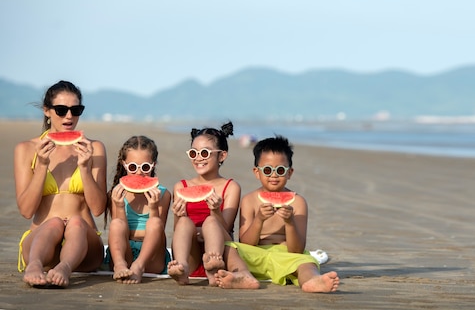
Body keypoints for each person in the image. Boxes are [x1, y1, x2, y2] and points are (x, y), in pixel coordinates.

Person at [14, 80, 107, 288]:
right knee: (54, 222)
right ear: (47, 111)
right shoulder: (26, 149)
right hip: (40, 243)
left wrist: (84, 168)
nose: (69, 116)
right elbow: (27, 210)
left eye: (76, 110)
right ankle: (34, 266)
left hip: (85, 248)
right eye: (61, 109)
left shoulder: (95, 148)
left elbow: (99, 208)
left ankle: (65, 267)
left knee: (75, 222)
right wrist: (42, 166)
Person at [232, 135, 340, 293]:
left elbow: (296, 250)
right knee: (229, 248)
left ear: (289, 173)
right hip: (255, 257)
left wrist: (290, 222)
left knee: (307, 262)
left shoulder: (298, 202)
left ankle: (312, 281)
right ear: (256, 172)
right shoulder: (249, 200)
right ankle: (241, 275)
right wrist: (259, 220)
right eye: (267, 170)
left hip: (287, 257)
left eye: (280, 170)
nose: (274, 175)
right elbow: (246, 244)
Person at [167, 122, 259, 289]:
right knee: (184, 222)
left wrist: (215, 211)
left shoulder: (230, 187)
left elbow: (226, 228)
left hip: (220, 254)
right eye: (193, 153)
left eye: (204, 153)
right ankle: (182, 269)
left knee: (211, 222)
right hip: (191, 254)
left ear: (222, 156)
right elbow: (178, 230)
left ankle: (213, 271)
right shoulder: (181, 187)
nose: (198, 158)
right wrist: (178, 214)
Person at [104, 135, 171, 284]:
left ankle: (139, 265)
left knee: (155, 223)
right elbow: (120, 232)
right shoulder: (117, 193)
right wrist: (120, 205)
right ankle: (119, 266)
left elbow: (158, 232)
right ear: (124, 165)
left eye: (145, 167)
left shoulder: (164, 195)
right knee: (116, 224)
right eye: (133, 167)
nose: (139, 173)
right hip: (124, 252)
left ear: (153, 165)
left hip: (152, 258)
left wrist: (153, 207)